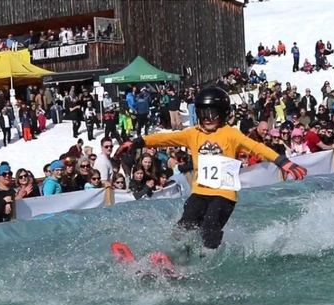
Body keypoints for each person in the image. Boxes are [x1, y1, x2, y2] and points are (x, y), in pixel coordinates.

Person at [117, 87, 307, 250]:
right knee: (184, 226)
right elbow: (165, 138)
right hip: (200, 193)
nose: (207, 118)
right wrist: (138, 142)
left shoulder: (231, 134)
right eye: (203, 113)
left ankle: (207, 257)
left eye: (213, 113)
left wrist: (282, 161)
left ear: (223, 113)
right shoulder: (193, 134)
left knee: (208, 228)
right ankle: (176, 256)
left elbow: (257, 147)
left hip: (224, 195)